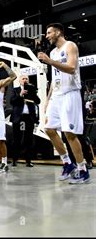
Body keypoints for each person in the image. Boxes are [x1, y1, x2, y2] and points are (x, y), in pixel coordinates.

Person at [38, 23, 90, 184]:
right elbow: (54, 80)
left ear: (58, 32)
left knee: (69, 134)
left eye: (49, 32)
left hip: (70, 93)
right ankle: (68, 163)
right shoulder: (53, 52)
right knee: (48, 129)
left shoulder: (70, 46)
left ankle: (83, 170)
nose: (46, 36)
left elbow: (72, 68)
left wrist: (49, 61)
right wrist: (47, 100)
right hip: (57, 95)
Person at [10, 74, 40, 167]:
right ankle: (14, 160)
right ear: (19, 80)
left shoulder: (32, 89)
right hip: (18, 117)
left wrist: (33, 93)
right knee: (16, 139)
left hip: (29, 117)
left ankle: (28, 160)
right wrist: (20, 94)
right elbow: (12, 101)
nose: (25, 80)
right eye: (23, 78)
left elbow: (38, 101)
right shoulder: (15, 90)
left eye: (26, 78)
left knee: (29, 139)